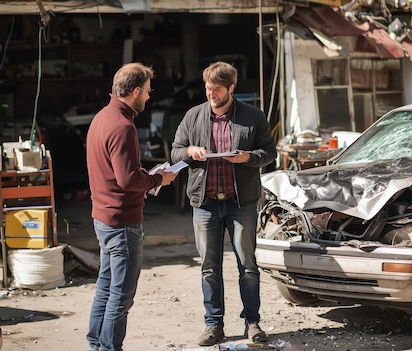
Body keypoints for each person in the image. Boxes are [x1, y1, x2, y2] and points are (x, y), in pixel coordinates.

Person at [171, 61, 277, 346]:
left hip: (240, 203)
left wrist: (248, 158)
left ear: (231, 88)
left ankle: (252, 322)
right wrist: (190, 151)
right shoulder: (193, 116)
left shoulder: (253, 116)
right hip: (204, 203)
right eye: (208, 88)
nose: (211, 93)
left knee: (248, 265)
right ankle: (213, 324)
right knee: (209, 266)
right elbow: (175, 152)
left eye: (217, 89)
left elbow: (269, 152)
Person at [86, 62, 177, 351]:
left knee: (105, 287)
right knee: (121, 296)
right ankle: (109, 347)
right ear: (135, 91)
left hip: (104, 217)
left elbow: (119, 173)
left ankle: (95, 344)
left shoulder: (102, 117)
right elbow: (127, 180)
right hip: (121, 222)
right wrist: (158, 178)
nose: (149, 97)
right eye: (148, 92)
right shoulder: (123, 126)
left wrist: (148, 176)